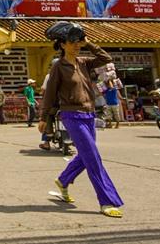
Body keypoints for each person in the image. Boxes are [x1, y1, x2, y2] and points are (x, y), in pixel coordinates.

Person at [39, 24, 124, 218]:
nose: (77, 45)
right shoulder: (58, 67)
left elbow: (106, 59)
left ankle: (63, 179)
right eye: (72, 42)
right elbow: (50, 94)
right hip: (71, 115)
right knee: (93, 158)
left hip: (89, 114)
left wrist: (88, 43)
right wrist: (44, 118)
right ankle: (107, 201)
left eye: (79, 42)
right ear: (62, 44)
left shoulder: (84, 62)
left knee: (86, 155)